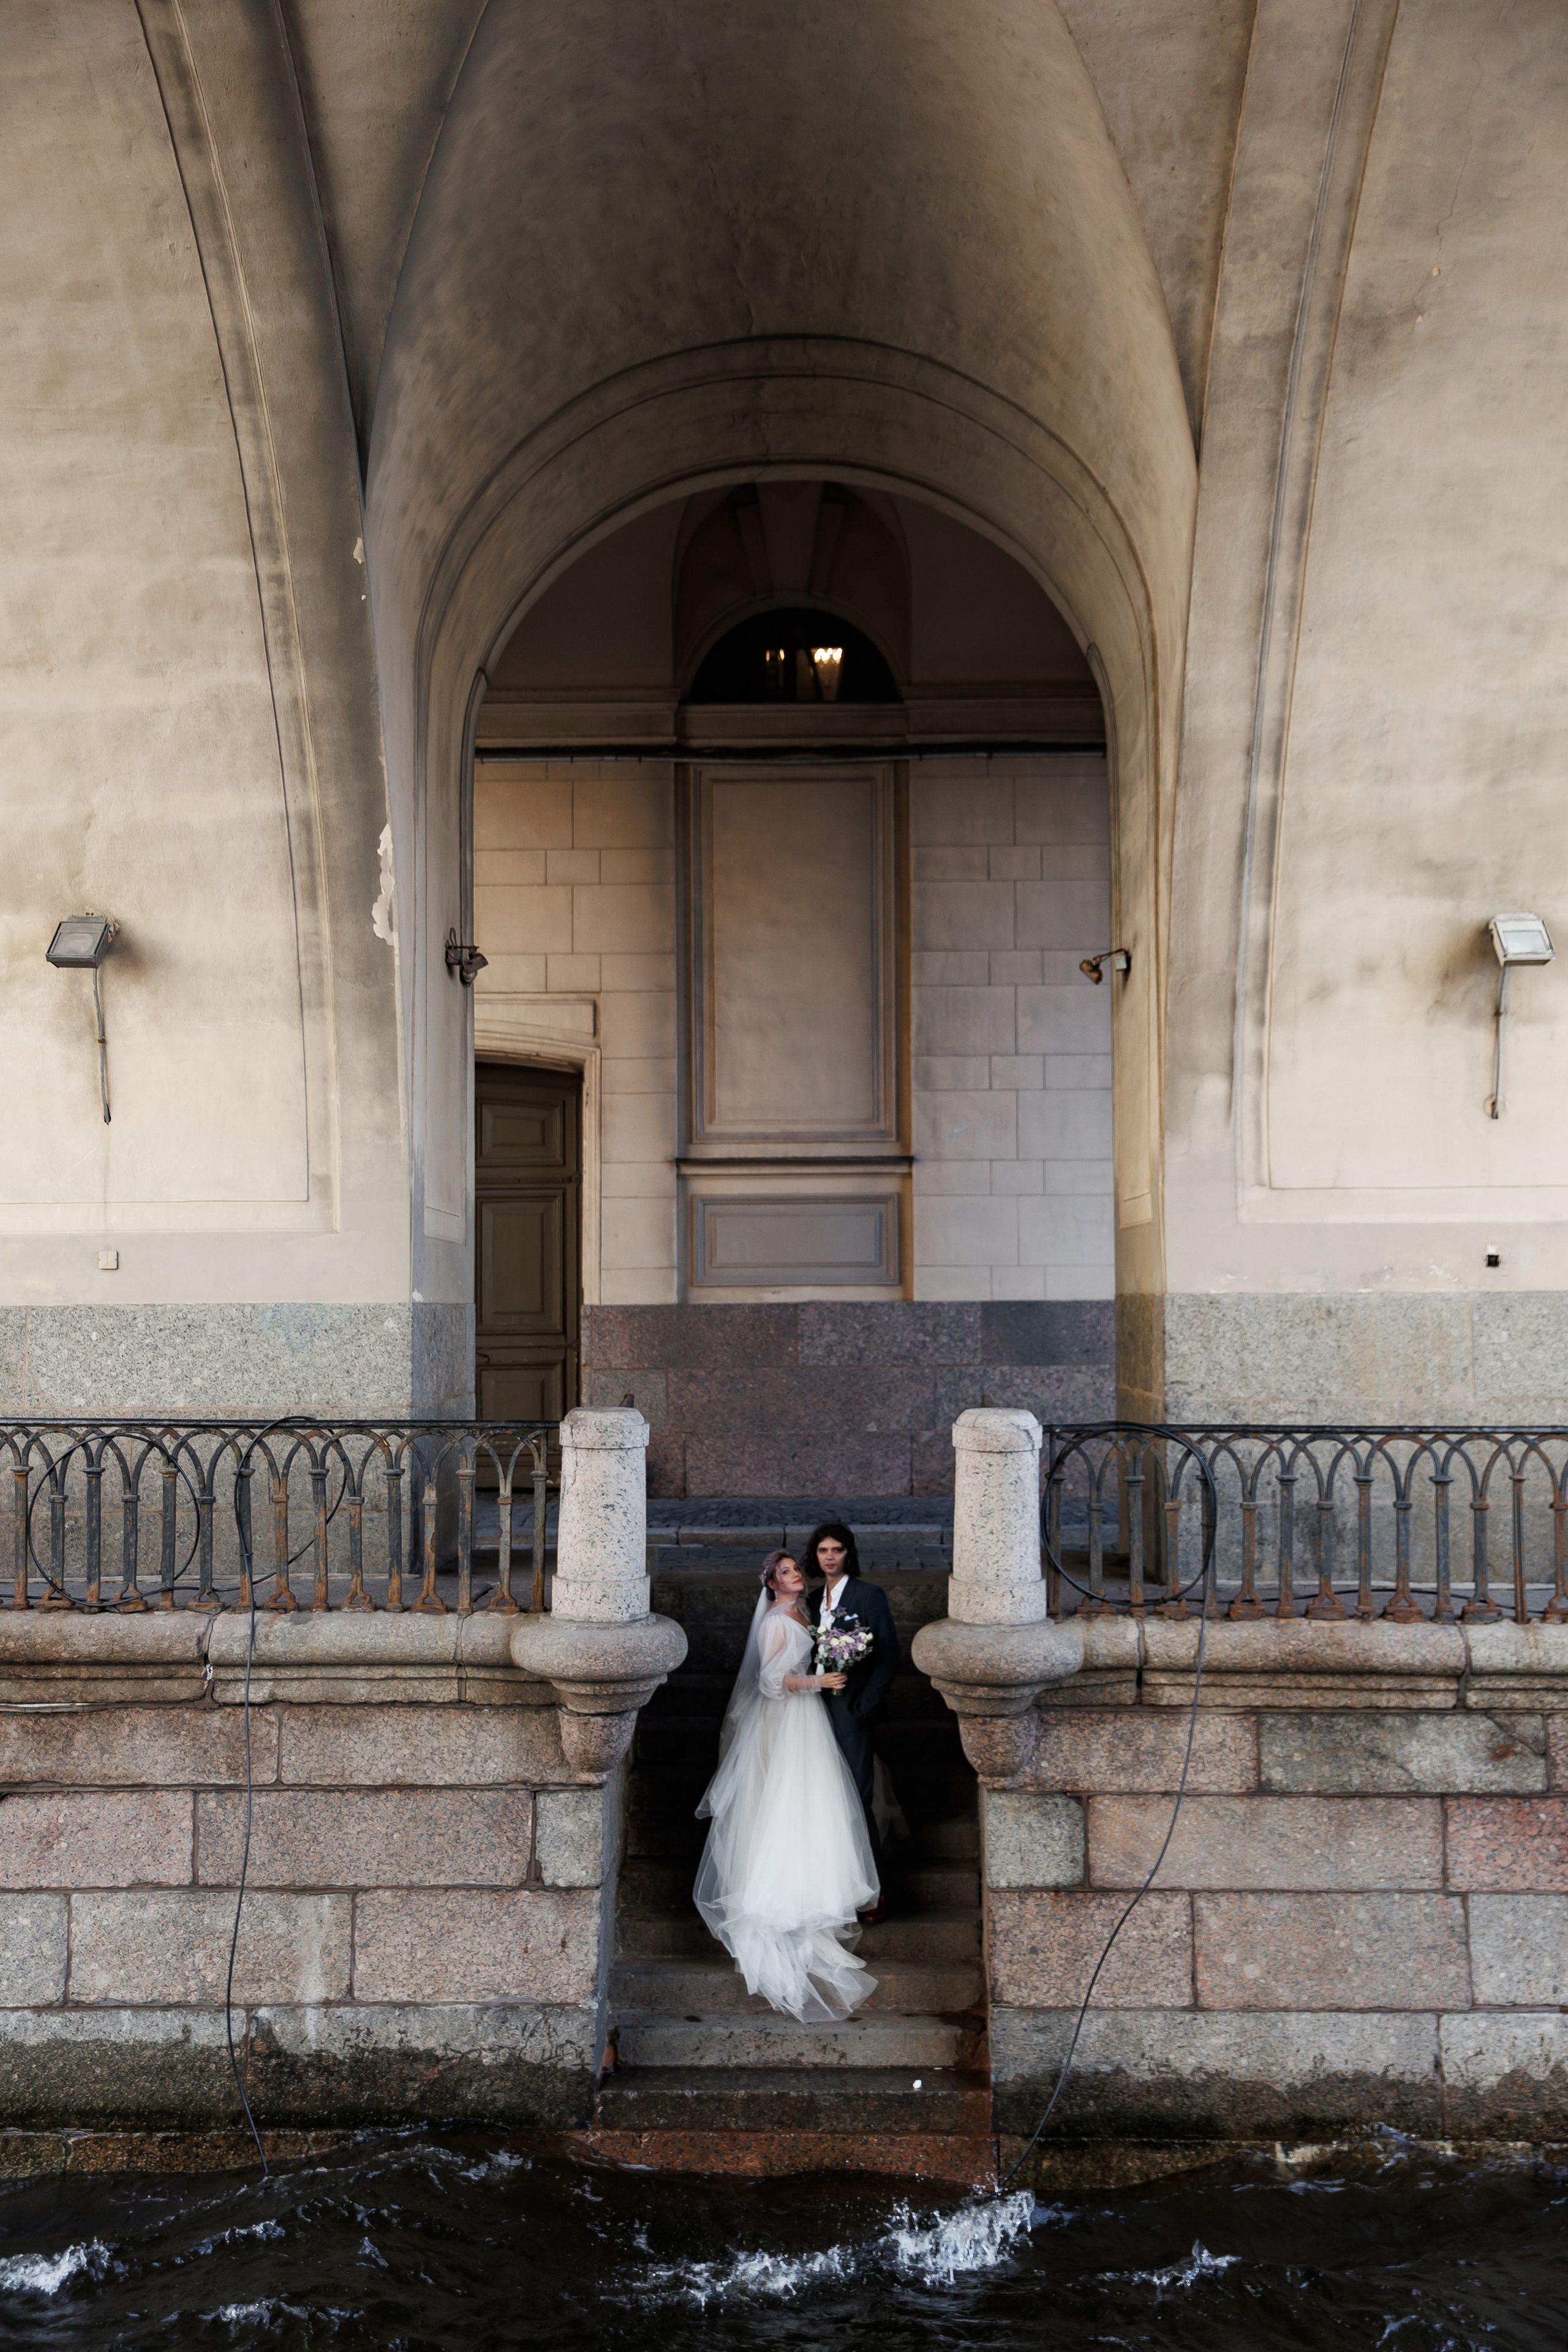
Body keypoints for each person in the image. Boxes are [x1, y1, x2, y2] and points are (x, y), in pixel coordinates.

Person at [693, 1550, 880, 2022]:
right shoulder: (777, 1621)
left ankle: (812, 1891)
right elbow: (771, 1682)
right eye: (786, 1573)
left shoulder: (803, 1612)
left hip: (807, 1720)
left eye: (796, 1569)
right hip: (789, 1720)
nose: (795, 1576)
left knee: (814, 1807)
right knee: (790, 1802)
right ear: (772, 1584)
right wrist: (818, 1682)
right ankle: (781, 1902)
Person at [803, 1520, 900, 1924]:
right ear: (816, 1555)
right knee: (821, 1799)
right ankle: (831, 1890)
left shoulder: (868, 1595)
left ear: (848, 1554)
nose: (830, 1557)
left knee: (856, 1799)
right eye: (823, 1550)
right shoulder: (812, 1600)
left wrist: (864, 1706)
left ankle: (873, 1893)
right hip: (812, 1709)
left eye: (837, 1550)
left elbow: (889, 1655)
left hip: (851, 1710)